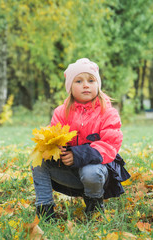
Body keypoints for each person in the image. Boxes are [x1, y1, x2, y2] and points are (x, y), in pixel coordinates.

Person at [32, 58, 130, 221]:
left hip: (98, 173)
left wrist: (77, 154)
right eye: (79, 81)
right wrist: (58, 149)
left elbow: (109, 144)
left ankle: (94, 205)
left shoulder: (108, 113)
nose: (86, 85)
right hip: (69, 172)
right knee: (39, 161)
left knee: (90, 171)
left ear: (98, 84)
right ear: (70, 87)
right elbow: (54, 137)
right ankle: (45, 209)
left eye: (91, 80)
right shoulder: (61, 112)